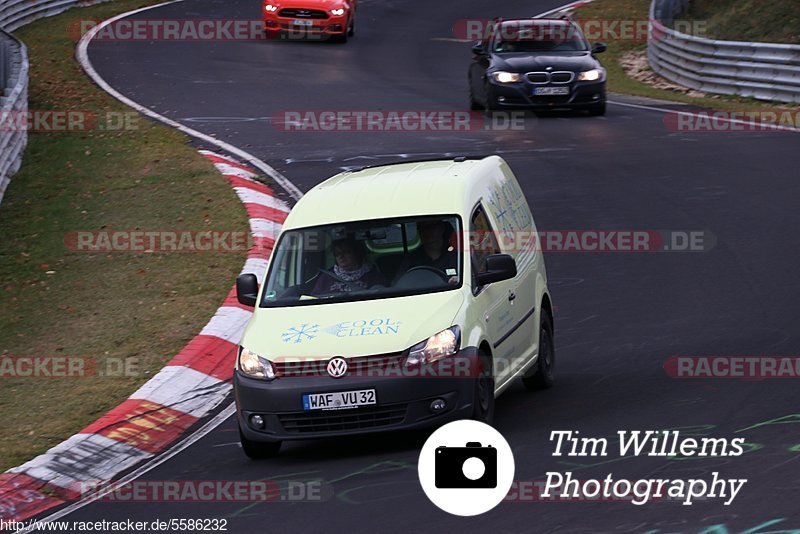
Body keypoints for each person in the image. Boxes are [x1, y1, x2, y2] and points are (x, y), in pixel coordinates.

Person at [312, 237, 385, 294]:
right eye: (337, 254)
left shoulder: (372, 274)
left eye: (346, 252)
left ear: (356, 253)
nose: (341, 257)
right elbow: (315, 299)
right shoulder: (326, 277)